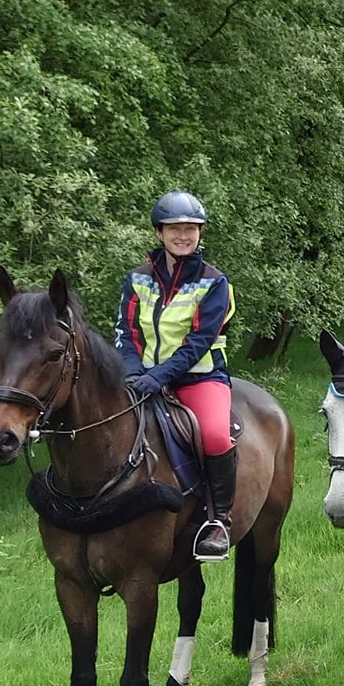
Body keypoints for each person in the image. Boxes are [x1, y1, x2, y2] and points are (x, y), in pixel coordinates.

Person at [116, 190, 238, 561]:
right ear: (159, 233)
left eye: (190, 228)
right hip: (143, 379)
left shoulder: (215, 283)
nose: (183, 235)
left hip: (199, 379)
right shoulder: (136, 279)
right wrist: (135, 373)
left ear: (200, 233)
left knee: (216, 436)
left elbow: (199, 341)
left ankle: (219, 521)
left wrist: (161, 377)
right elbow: (126, 332)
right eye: (174, 229)